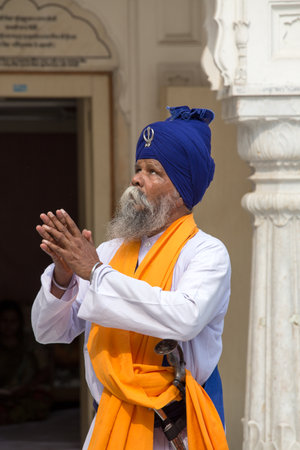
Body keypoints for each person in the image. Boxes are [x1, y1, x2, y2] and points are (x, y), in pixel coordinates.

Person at [32, 105, 231, 450]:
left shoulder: (206, 253)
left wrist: (94, 273)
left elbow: (183, 318)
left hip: (175, 434)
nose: (137, 179)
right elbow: (49, 331)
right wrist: (63, 276)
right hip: (109, 425)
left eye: (153, 171)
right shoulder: (109, 253)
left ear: (181, 190)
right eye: (137, 168)